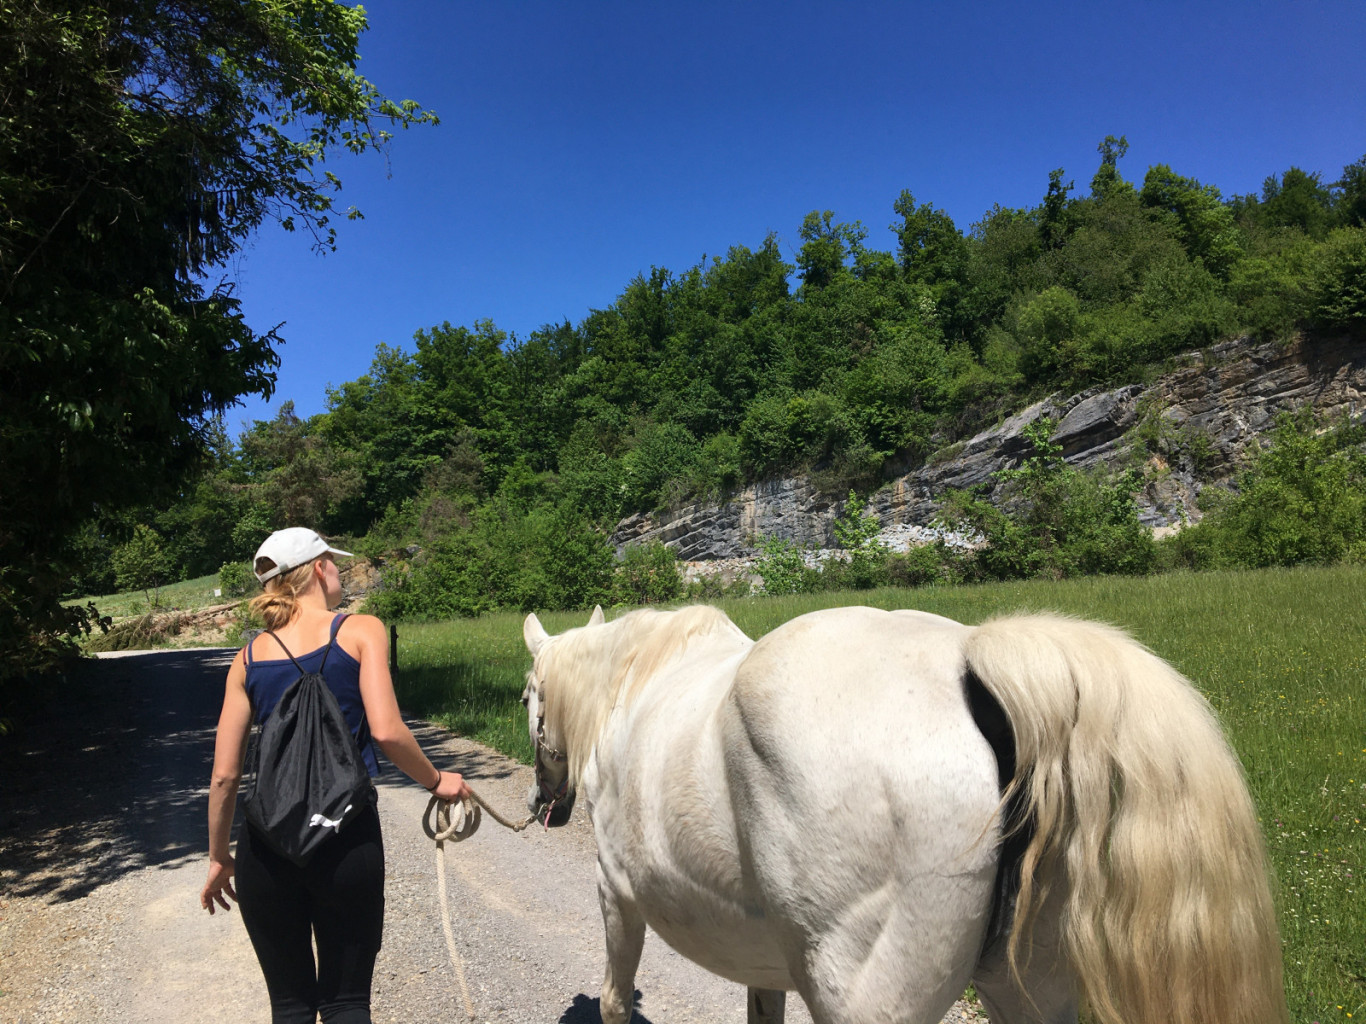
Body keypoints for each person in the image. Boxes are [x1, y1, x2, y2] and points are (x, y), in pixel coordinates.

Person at [200, 526, 470, 1024]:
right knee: (347, 1005)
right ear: (319, 569)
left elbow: (224, 776)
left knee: (291, 1009)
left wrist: (220, 856)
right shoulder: (361, 629)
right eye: (335, 564)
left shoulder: (247, 659)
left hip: (267, 848)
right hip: (346, 842)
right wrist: (437, 781)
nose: (340, 574)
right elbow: (387, 732)